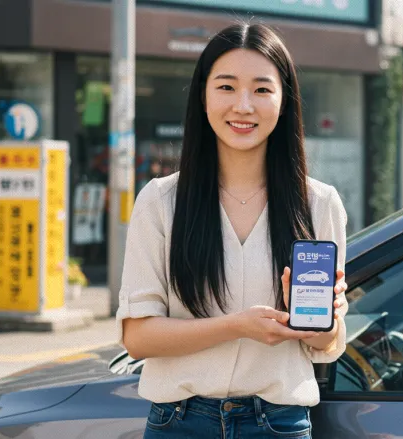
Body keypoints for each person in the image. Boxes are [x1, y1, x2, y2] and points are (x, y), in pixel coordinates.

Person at [115, 22, 349, 438]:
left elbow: (328, 346)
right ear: (204, 95)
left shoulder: (320, 204)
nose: (243, 105)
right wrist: (238, 326)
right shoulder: (160, 201)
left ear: (284, 100)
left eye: (261, 89)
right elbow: (138, 337)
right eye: (226, 87)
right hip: (178, 423)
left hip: (278, 424)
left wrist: (325, 321)